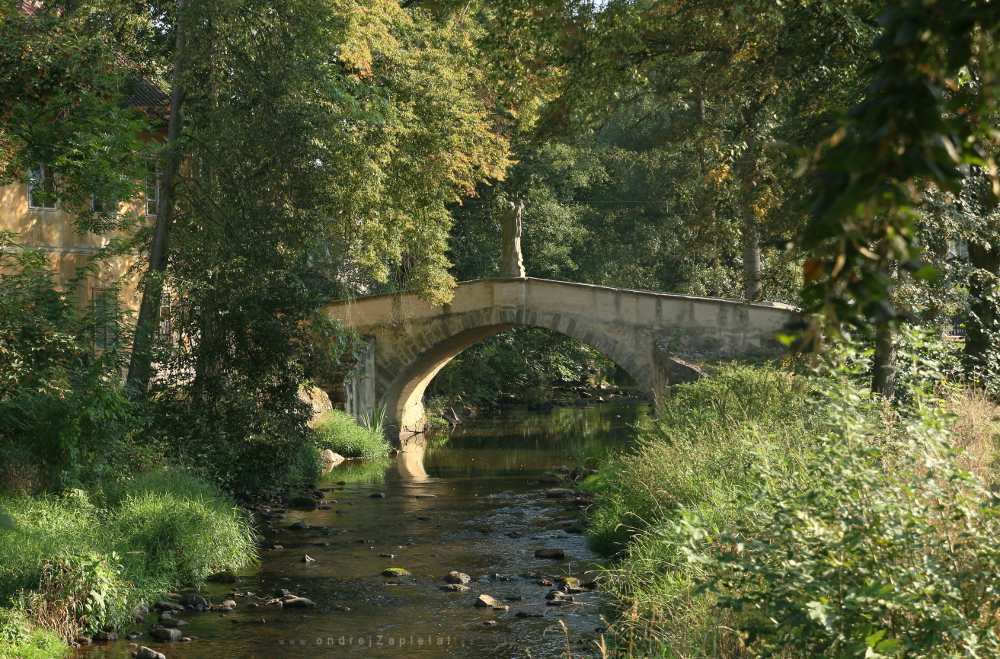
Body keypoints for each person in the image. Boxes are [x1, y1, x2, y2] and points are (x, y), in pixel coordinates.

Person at [500, 200, 525, 277]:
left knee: (507, 245)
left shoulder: (504, 215)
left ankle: (508, 259)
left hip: (507, 234)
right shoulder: (513, 213)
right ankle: (512, 259)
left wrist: (519, 207)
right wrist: (519, 206)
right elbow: (517, 214)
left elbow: (517, 213)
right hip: (511, 233)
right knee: (512, 245)